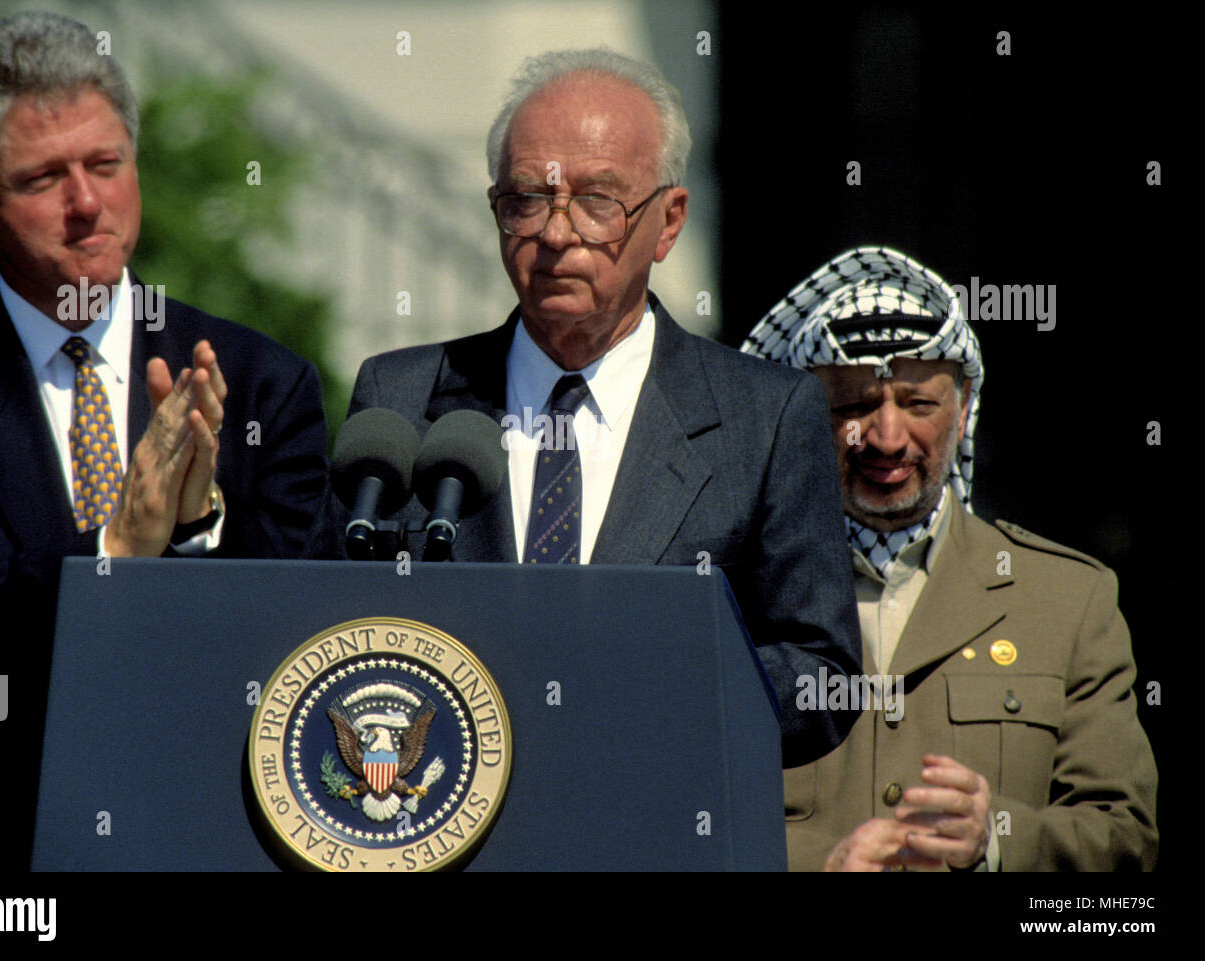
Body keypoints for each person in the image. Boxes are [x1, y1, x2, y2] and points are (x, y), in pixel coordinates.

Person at [308, 49, 862, 768]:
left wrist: (641, 697)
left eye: (598, 201)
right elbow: (327, 624)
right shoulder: (403, 397)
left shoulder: (765, 416)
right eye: (526, 201)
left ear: (669, 221)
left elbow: (823, 673)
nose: (557, 235)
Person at [0, 10, 328, 867]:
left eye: (105, 164)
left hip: (217, 839)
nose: (86, 203)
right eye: (42, 178)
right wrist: (112, 550)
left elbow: (307, 647)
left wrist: (200, 524)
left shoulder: (258, 382)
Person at [742, 246, 1158, 870]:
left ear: (963, 409)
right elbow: (672, 817)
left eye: (917, 404)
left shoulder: (1069, 602)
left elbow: (1125, 837)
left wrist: (995, 840)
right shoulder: (734, 599)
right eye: (853, 406)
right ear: (802, 417)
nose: (886, 438)